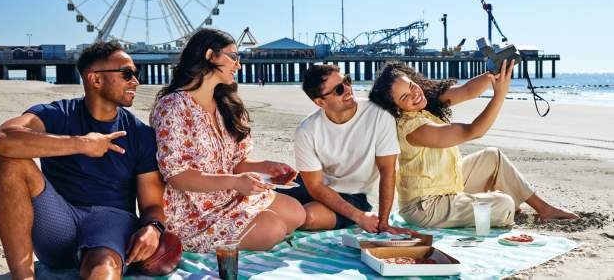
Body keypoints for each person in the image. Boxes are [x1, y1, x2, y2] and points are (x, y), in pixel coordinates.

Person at [0, 41, 165, 280]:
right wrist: (81, 144)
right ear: (95, 79)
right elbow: (2, 139)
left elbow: (152, 205)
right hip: (57, 222)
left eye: (136, 74)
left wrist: (153, 228)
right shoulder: (58, 114)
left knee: (103, 269)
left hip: (110, 221)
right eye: (126, 73)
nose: (135, 80)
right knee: (8, 163)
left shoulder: (140, 134)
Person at [369, 60, 579, 229]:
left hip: (447, 185)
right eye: (405, 96)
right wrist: (500, 94)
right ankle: (493, 205)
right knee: (504, 203)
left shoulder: (425, 103)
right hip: (426, 207)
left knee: (492, 157)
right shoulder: (412, 128)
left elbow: (469, 90)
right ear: (396, 108)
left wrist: (494, 69)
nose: (415, 93)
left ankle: (544, 208)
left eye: (412, 85)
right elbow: (473, 131)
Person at [150, 29, 305, 252]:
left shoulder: (226, 105)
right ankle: (206, 240)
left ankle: (250, 228)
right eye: (233, 56)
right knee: (273, 228)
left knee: (297, 213)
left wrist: (266, 167)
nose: (238, 65)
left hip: (231, 197)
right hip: (194, 212)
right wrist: (235, 182)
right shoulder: (173, 107)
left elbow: (235, 164)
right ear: (210, 55)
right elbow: (177, 176)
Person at [277, 64, 411, 234]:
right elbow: (315, 186)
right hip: (315, 188)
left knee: (309, 216)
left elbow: (387, 170)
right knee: (259, 198)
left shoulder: (379, 115)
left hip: (355, 196)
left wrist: (381, 222)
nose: (348, 89)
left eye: (347, 81)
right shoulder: (307, 129)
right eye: (339, 89)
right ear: (320, 102)